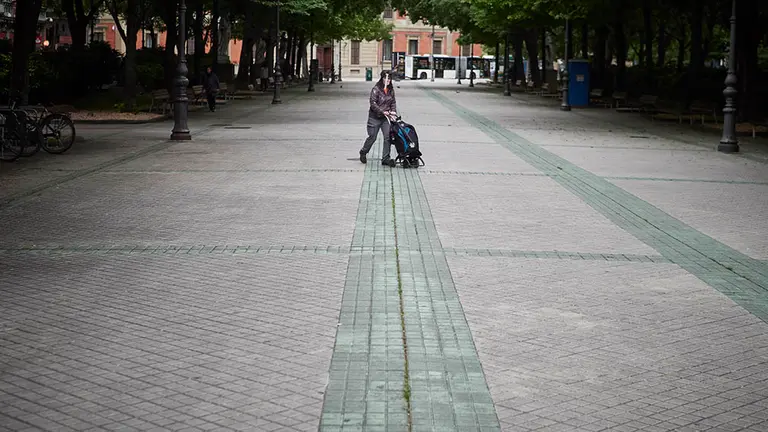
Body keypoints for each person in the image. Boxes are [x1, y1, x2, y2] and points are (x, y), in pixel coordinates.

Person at [359, 71, 397, 166]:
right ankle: (364, 151)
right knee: (372, 137)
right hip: (375, 117)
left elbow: (393, 102)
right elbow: (373, 103)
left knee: (388, 137)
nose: (387, 81)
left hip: (386, 118)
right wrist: (381, 111)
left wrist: (393, 111)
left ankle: (385, 158)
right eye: (385, 78)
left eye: (389, 79)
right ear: (382, 79)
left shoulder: (391, 90)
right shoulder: (376, 89)